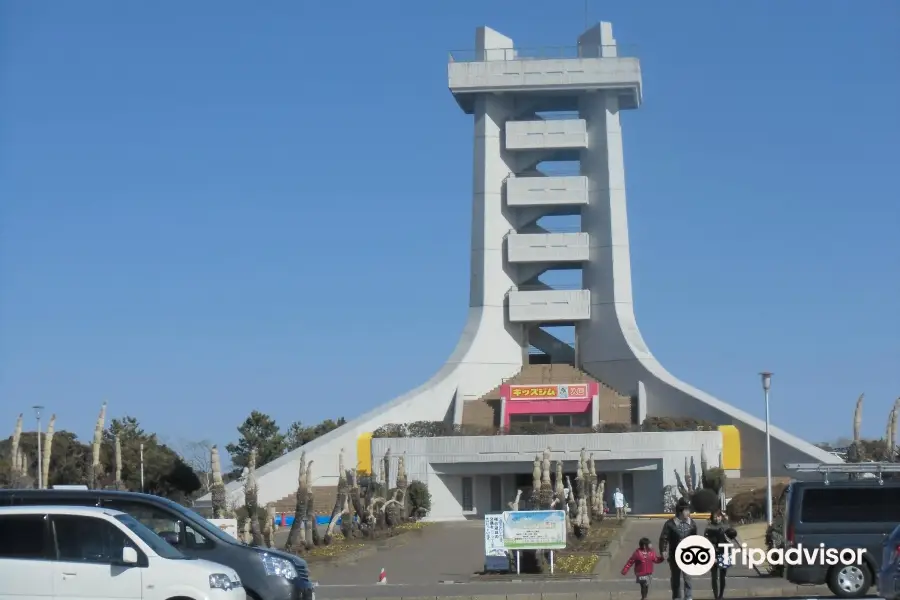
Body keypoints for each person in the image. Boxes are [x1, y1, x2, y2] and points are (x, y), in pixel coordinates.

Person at [659, 498, 698, 600]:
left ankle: (688, 597)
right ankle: (676, 597)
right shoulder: (670, 524)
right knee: (676, 578)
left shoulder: (692, 524)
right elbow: (664, 537)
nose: (688, 512)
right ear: (680, 511)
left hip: (688, 555)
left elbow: (695, 539)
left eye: (688, 510)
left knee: (688, 578)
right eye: (686, 510)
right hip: (675, 555)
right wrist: (663, 550)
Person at [703, 509, 735, 599]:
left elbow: (731, 538)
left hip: (724, 552)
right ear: (712, 518)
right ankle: (716, 596)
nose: (717, 518)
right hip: (713, 553)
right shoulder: (709, 528)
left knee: (722, 576)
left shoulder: (726, 526)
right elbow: (706, 541)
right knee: (714, 576)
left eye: (719, 516)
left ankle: (721, 595)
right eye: (715, 517)